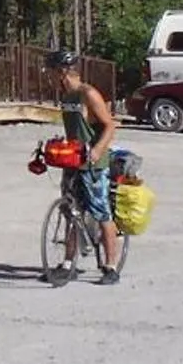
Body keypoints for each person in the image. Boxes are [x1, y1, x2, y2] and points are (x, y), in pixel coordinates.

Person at [51, 48, 123, 281]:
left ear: (62, 71)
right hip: (72, 159)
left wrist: (97, 150)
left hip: (94, 163)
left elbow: (110, 125)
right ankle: (68, 263)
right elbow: (74, 128)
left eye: (52, 71)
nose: (49, 76)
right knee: (71, 212)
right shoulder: (66, 96)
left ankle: (111, 267)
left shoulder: (88, 93)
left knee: (101, 212)